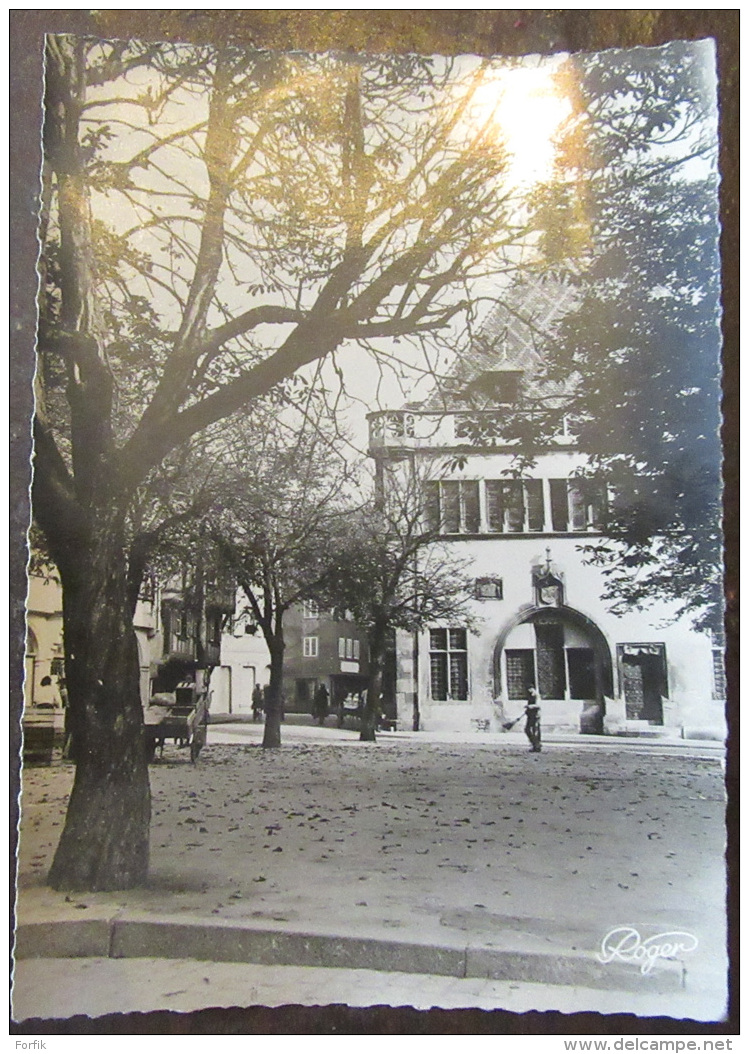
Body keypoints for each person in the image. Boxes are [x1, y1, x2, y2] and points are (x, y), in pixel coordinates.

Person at [525, 686, 542, 752]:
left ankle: (536, 745)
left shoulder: (537, 696)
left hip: (536, 716)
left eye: (531, 689)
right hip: (530, 716)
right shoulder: (530, 696)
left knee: (535, 731)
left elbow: (538, 705)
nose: (530, 690)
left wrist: (530, 706)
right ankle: (534, 744)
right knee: (527, 730)